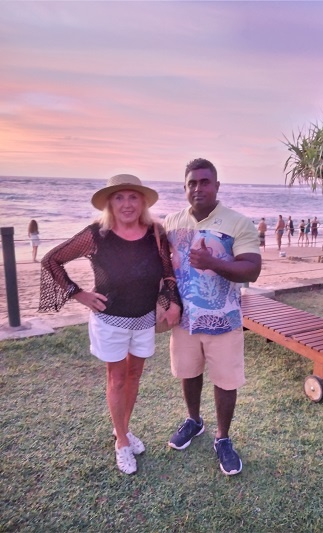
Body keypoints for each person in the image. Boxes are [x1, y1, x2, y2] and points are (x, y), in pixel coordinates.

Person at [39, 174, 182, 475]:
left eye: (133, 197)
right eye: (119, 197)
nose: (126, 204)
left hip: (144, 319)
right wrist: (78, 293)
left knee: (134, 375)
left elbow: (168, 272)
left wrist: (171, 301)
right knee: (117, 379)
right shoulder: (97, 234)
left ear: (142, 202)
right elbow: (52, 260)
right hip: (110, 320)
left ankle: (123, 430)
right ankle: (121, 442)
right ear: (109, 203)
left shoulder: (155, 233)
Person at [164, 158, 261, 476]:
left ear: (217, 186)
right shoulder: (171, 222)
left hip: (224, 319)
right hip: (184, 320)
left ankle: (223, 437)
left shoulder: (238, 223)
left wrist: (213, 263)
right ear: (184, 187)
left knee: (225, 380)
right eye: (192, 183)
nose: (198, 188)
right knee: (189, 372)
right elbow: (162, 262)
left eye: (204, 182)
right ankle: (194, 421)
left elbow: (252, 269)